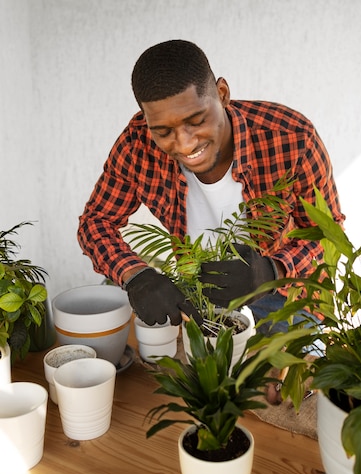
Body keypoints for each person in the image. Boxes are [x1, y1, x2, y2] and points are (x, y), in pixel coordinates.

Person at [78, 39, 344, 333]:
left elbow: (330, 233)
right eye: (163, 131)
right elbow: (95, 221)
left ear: (222, 94)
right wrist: (136, 275)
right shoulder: (137, 144)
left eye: (196, 120)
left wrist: (272, 270)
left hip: (286, 298)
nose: (184, 142)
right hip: (199, 300)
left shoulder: (291, 138)